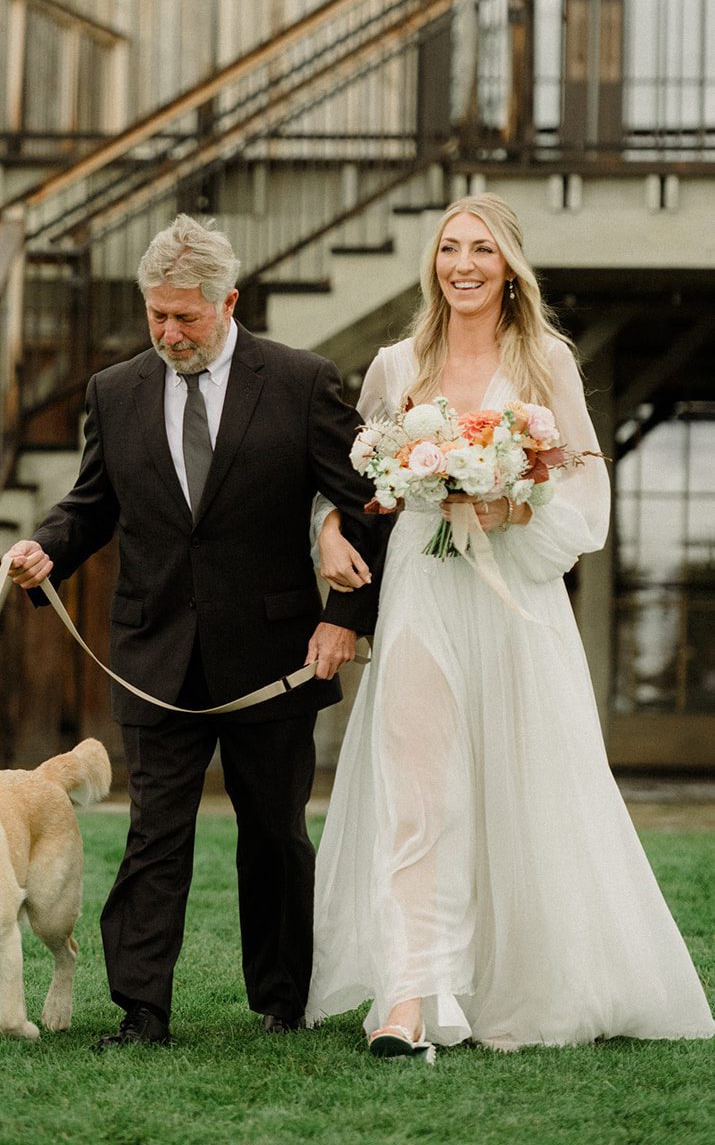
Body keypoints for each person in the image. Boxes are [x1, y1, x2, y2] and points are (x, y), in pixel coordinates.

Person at [306, 193, 715, 1056]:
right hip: (422, 589)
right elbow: (363, 486)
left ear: (507, 267)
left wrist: (511, 509)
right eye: (448, 248)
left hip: (512, 601)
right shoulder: (395, 364)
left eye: (480, 251)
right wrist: (330, 527)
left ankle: (522, 981)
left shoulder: (546, 365)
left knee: (517, 788)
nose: (461, 265)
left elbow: (584, 499)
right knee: (418, 793)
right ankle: (410, 997)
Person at [6, 213, 385, 1046]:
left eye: (185, 316)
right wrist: (46, 548)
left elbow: (369, 503)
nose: (168, 332)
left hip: (275, 654)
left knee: (276, 836)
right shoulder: (114, 391)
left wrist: (344, 618)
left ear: (229, 302)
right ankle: (142, 1012)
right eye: (156, 315)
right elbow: (91, 505)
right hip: (155, 654)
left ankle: (284, 1000)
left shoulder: (301, 380)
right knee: (154, 837)